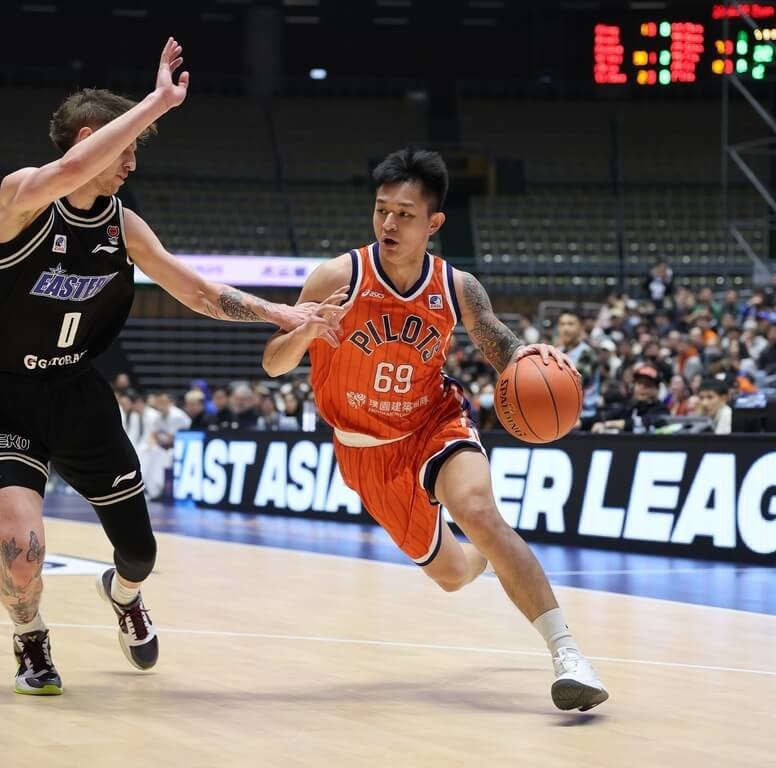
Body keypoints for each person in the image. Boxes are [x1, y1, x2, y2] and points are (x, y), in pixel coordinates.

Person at [0, 38, 347, 695]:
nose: (133, 162)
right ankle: (31, 638)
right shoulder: (21, 198)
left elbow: (196, 291)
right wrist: (159, 99)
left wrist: (280, 314)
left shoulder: (123, 226)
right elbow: (63, 174)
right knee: (20, 552)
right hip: (6, 395)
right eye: (125, 146)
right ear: (87, 139)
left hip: (74, 393)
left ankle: (124, 594)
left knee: (141, 553)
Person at [262, 148, 609, 712]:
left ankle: (569, 653)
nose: (389, 224)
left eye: (404, 213)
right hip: (365, 451)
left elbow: (501, 344)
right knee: (452, 573)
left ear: (434, 223)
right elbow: (274, 363)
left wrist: (530, 358)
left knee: (478, 510)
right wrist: (303, 333)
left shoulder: (456, 287)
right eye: (381, 211)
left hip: (434, 421)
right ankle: (489, 559)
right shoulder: (338, 276)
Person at [588, 363, 669, 433]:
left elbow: (643, 423)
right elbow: (608, 415)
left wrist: (607, 424)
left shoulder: (661, 410)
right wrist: (581, 421)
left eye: (648, 385)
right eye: (639, 383)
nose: (641, 388)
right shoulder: (631, 406)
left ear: (657, 389)